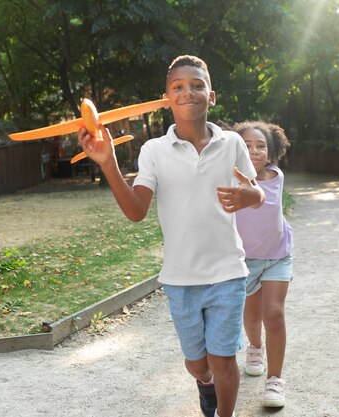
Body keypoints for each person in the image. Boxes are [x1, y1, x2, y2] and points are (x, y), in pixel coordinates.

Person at [77, 55, 265, 417]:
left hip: (228, 271)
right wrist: (109, 163)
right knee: (199, 365)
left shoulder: (232, 145)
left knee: (223, 359)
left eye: (197, 85)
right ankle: (204, 383)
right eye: (178, 87)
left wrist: (248, 196)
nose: (188, 92)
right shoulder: (154, 151)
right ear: (166, 98)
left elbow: (256, 194)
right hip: (180, 279)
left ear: (211, 96)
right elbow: (136, 211)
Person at [232, 120, 293, 408]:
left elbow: (260, 199)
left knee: (274, 314)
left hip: (277, 256)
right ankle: (255, 348)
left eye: (260, 146)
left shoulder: (275, 176)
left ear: (270, 153)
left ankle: (275, 380)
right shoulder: (228, 179)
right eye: (246, 146)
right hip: (245, 261)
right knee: (252, 319)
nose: (254, 151)